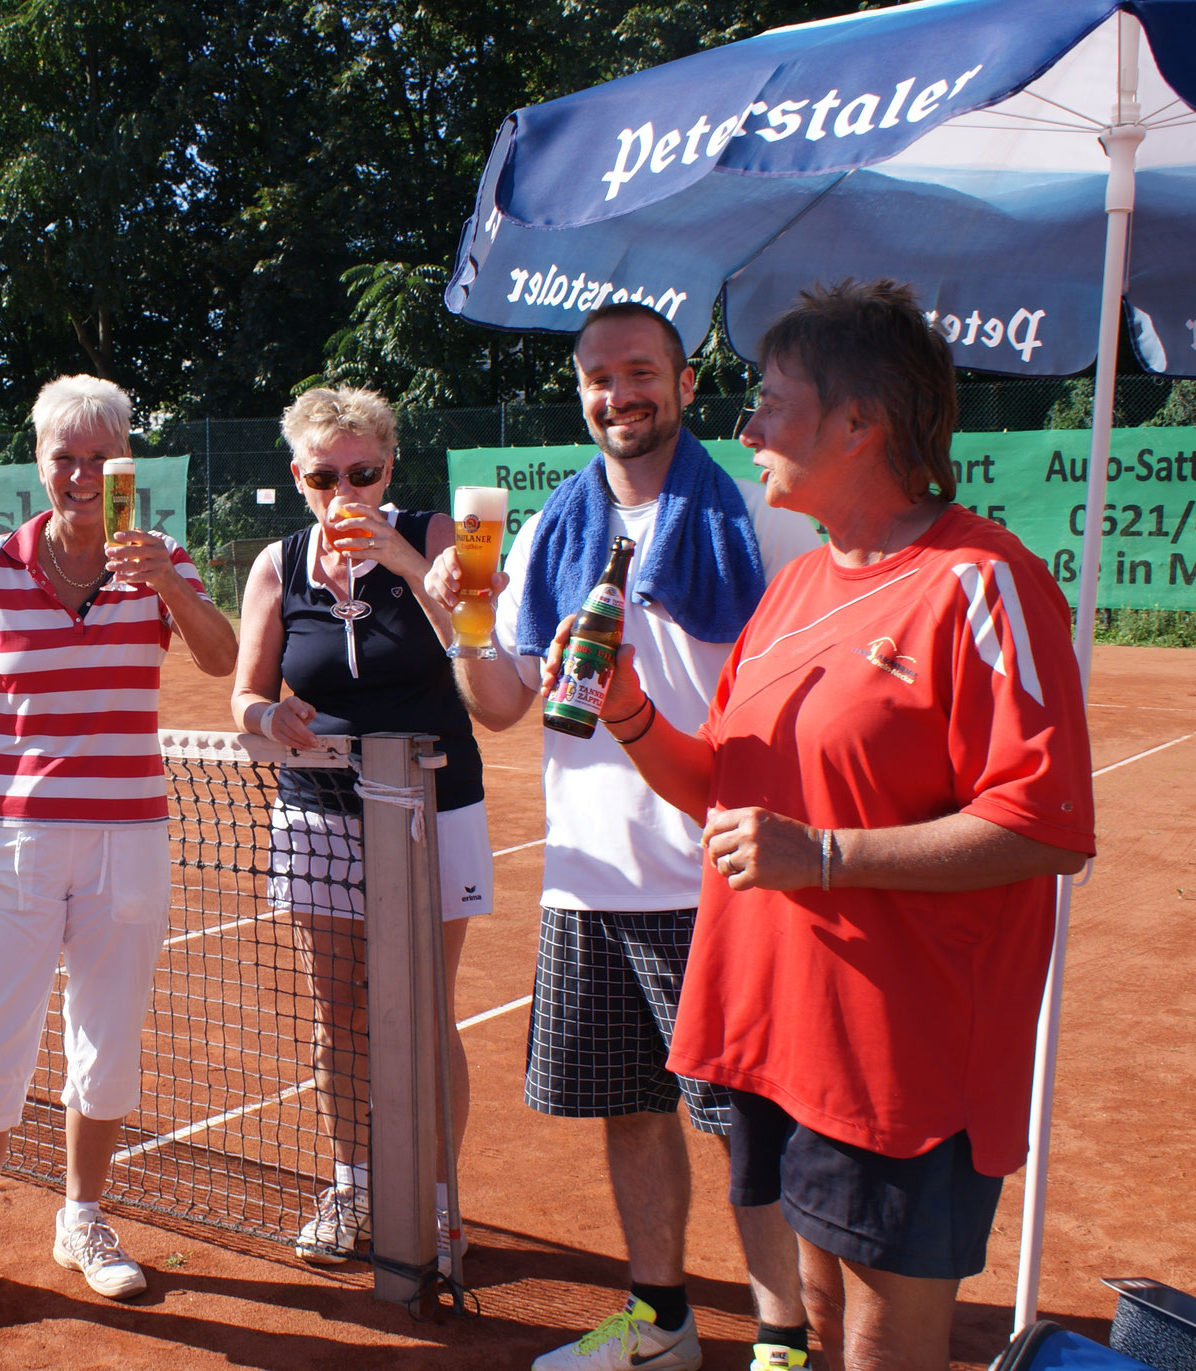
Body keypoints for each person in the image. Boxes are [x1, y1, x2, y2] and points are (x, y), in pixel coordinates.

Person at [550, 280, 1094, 1371]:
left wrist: (829, 857)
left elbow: (1044, 826)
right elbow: (721, 790)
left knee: (887, 1331)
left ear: (858, 422)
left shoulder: (981, 582)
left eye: (771, 400)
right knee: (813, 1295)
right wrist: (627, 713)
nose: (744, 426)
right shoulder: (793, 585)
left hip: (900, 1047)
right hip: (771, 1022)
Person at [425, 301, 818, 1371]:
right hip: (586, 882)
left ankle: (780, 1341)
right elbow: (501, 705)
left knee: (746, 1133)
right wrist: (462, 617)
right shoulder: (552, 527)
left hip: (718, 882)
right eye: (598, 377)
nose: (617, 393)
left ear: (684, 384)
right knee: (629, 1113)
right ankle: (661, 1326)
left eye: (639, 371)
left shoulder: (761, 522)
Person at [0, 375, 237, 1330]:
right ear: (41, 460)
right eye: (67, 455)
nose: (84, 474)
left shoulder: (162, 559)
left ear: (124, 461)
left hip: (129, 836)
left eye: (102, 456)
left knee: (108, 1038)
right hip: (12, 836)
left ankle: (83, 1218)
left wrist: (168, 581)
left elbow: (219, 659)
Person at [226, 385, 488, 1271]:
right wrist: (269, 721)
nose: (347, 490)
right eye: (325, 474)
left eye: (364, 472)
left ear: (390, 465)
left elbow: (483, 645)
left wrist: (409, 564)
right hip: (321, 809)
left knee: (421, 1010)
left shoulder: (440, 535)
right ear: (298, 477)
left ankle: (441, 1202)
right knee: (340, 1014)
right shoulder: (278, 563)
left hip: (433, 799)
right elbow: (245, 694)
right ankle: (354, 1183)